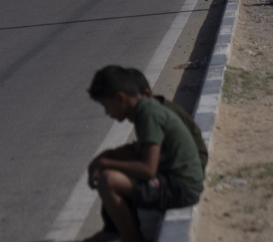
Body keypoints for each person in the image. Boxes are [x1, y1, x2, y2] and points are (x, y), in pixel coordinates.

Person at [87, 66, 205, 242]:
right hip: (175, 181)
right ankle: (116, 231)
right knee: (115, 170)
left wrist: (105, 163)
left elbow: (148, 170)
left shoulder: (148, 115)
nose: (107, 113)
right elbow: (138, 153)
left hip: (182, 187)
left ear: (121, 98)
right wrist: (107, 156)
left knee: (109, 180)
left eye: (106, 106)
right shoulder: (146, 110)